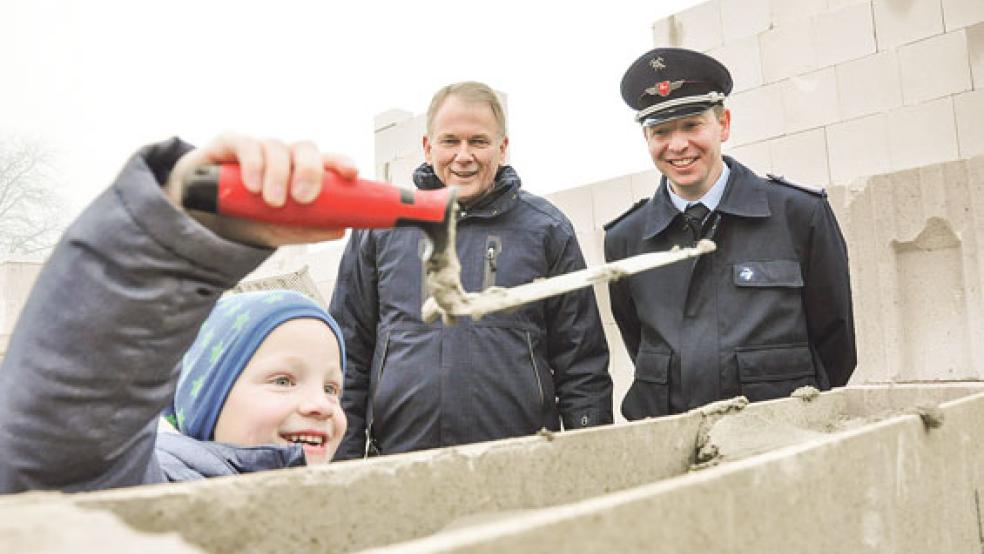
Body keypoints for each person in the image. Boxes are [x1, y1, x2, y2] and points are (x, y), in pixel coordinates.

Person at [0, 134, 352, 493]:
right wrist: (173, 241)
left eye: (331, 387)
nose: (320, 405)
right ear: (204, 401)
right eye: (283, 381)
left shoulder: (332, 498)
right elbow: (70, 434)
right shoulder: (159, 487)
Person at [330, 81, 612, 459]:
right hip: (400, 463)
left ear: (502, 148)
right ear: (428, 148)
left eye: (478, 141)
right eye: (450, 141)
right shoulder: (381, 228)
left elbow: (581, 363)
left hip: (520, 463)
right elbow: (347, 356)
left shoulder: (546, 230)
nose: (464, 156)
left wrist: (588, 458)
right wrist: (343, 463)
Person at [604, 47, 856, 420]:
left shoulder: (799, 215)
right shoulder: (625, 240)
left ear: (723, 125)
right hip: (674, 446)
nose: (677, 146)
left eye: (692, 125)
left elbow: (836, 344)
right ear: (647, 139)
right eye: (661, 132)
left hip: (780, 441)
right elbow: (639, 343)